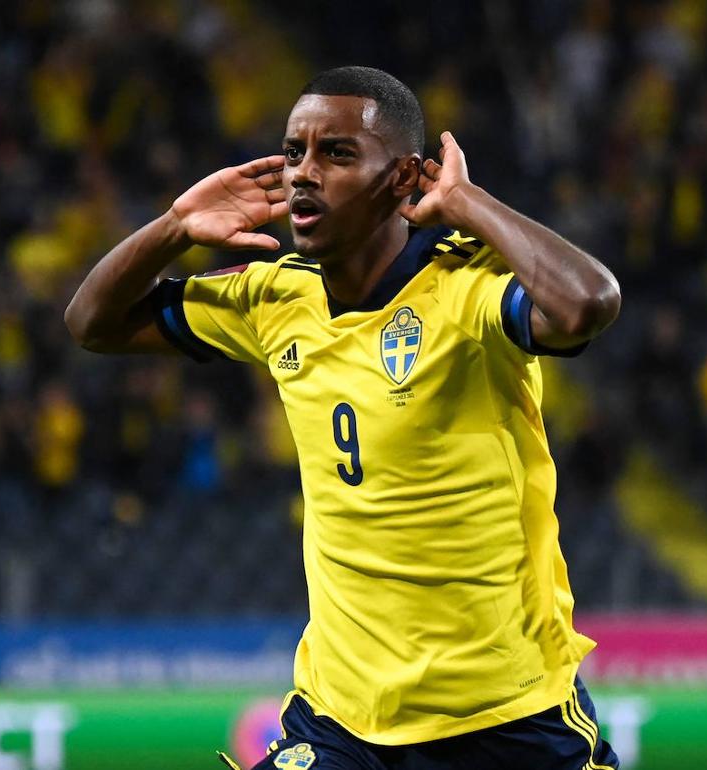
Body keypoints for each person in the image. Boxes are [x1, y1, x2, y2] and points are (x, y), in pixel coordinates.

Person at [66, 66, 620, 770]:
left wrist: (468, 203)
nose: (304, 174)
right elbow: (92, 323)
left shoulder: (464, 289)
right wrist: (175, 227)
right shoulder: (274, 297)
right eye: (295, 152)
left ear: (403, 179)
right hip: (340, 722)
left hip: (504, 718)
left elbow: (587, 305)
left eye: (337, 154)